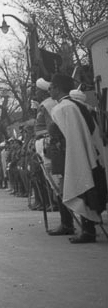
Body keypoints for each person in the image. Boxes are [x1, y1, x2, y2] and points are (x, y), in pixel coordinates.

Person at [47, 73, 107, 243]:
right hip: (79, 152)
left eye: (51, 87)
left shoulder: (64, 107)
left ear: (58, 88)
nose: (49, 90)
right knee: (83, 187)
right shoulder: (74, 105)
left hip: (74, 154)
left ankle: (88, 231)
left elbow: (68, 136)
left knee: (81, 187)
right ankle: (83, 228)